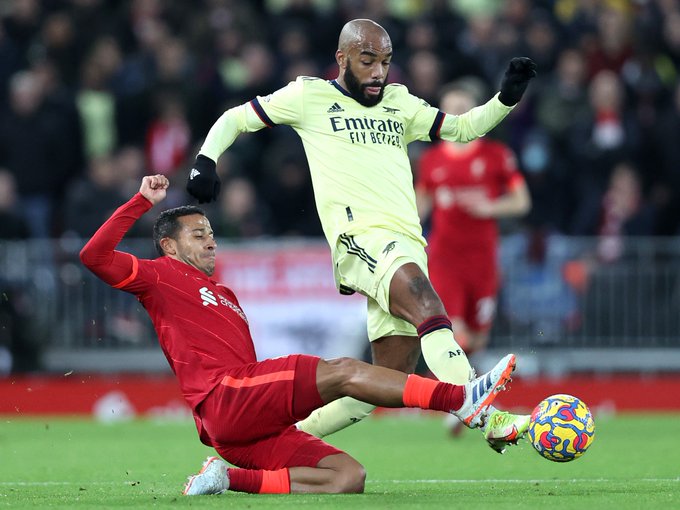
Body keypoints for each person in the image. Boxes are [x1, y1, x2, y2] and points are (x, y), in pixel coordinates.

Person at [185, 19, 536, 452]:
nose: (378, 72)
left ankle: (258, 447)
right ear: (343, 58)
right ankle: (483, 413)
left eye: (385, 62)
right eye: (368, 61)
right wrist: (205, 161)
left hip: (407, 243)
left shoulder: (400, 103)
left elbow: (463, 128)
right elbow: (236, 118)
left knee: (380, 383)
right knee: (426, 303)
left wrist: (506, 98)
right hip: (360, 240)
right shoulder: (309, 96)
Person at [80, 174, 518, 495]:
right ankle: (459, 399)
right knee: (342, 371)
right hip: (225, 395)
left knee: (348, 477)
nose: (211, 242)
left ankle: (226, 478)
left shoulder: (224, 292)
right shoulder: (158, 275)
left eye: (212, 234)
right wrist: (141, 200)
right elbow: (94, 256)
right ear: (169, 246)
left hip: (237, 428)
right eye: (199, 235)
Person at [416, 79, 531, 358]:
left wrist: (490, 207)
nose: (456, 115)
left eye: (462, 108)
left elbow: (521, 202)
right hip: (445, 257)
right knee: (454, 331)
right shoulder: (431, 160)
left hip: (482, 258)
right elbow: (420, 206)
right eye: (451, 109)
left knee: (478, 339)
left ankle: (462, 383)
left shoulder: (497, 155)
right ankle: (445, 383)